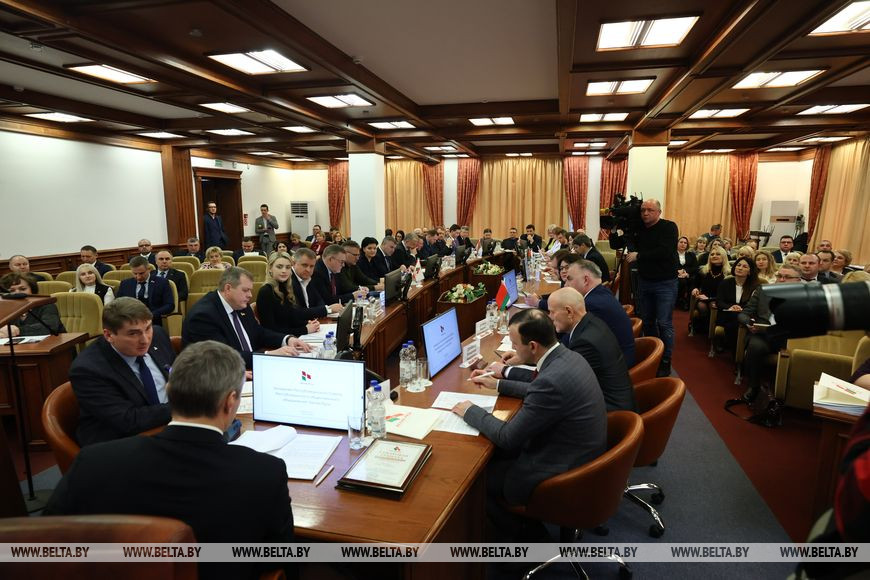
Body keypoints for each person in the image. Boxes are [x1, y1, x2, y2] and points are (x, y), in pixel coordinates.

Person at [44, 340, 294, 580]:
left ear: (169, 390)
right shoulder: (264, 473)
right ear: (230, 401)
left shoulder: (94, 461)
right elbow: (279, 555)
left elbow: (45, 543)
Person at [454, 309, 606, 514]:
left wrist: (470, 411)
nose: (513, 349)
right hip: (582, 452)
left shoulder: (551, 381)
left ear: (533, 346)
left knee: (472, 480)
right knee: (493, 455)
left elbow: (508, 437)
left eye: (515, 345)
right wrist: (497, 384)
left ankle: (522, 529)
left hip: (562, 469)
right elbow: (538, 390)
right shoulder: (568, 356)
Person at [67, 297, 173, 446]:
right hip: (120, 442)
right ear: (109, 335)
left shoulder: (159, 335)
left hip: (168, 426)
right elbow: (129, 420)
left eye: (148, 328)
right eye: (133, 334)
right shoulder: (88, 369)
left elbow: (178, 376)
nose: (145, 340)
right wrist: (185, 407)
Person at [182, 266, 311, 369]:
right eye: (245, 290)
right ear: (228, 288)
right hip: (218, 379)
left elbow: (258, 332)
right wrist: (268, 355)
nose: (250, 295)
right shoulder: (203, 316)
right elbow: (222, 357)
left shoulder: (239, 304)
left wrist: (287, 339)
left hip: (247, 367)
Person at [611, 198, 678, 377]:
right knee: (647, 321)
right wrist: (615, 228)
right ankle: (653, 354)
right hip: (645, 281)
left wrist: (639, 255)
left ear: (659, 212)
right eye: (642, 210)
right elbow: (615, 244)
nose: (645, 213)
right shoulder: (637, 228)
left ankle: (666, 360)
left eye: (650, 210)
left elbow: (665, 251)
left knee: (664, 323)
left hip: (665, 282)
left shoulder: (669, 227)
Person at [542, 288, 635, 411]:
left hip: (611, 412)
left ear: (569, 312)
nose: (550, 317)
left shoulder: (585, 343)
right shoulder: (591, 322)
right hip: (609, 399)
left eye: (552, 312)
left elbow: (556, 385)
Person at [737, 264, 801, 402]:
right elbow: (744, 313)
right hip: (764, 335)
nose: (782, 279)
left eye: (787, 277)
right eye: (779, 276)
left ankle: (793, 393)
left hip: (791, 338)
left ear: (798, 280)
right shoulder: (763, 290)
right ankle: (753, 386)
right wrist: (748, 323)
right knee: (755, 346)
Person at [564, 260, 636, 367]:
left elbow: (573, 341)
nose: (565, 285)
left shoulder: (591, 304)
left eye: (569, 279)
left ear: (585, 280)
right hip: (612, 357)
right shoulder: (601, 292)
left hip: (613, 367)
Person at [256, 252, 321, 337]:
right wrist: (305, 329)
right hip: (278, 342)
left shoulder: (286, 288)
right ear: (270, 268)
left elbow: (290, 319)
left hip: (290, 337)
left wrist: (307, 323)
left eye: (288, 267)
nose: (284, 271)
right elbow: (270, 330)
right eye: (279, 267)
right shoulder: (265, 292)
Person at [715, 256, 761, 351]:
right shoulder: (725, 283)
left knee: (737, 320)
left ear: (750, 271)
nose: (740, 268)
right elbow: (719, 301)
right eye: (738, 265)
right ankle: (736, 350)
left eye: (744, 266)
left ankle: (737, 350)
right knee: (734, 319)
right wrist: (731, 307)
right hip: (726, 314)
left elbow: (754, 305)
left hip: (745, 314)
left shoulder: (755, 286)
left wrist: (740, 309)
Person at [0, 273, 66, 338]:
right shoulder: (5, 309)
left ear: (32, 290)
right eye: (12, 290)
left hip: (55, 343)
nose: (17, 293)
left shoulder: (46, 304)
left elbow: (49, 328)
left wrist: (18, 331)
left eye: (23, 289)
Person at [117, 256, 174, 326]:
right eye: (135, 274)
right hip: (130, 320)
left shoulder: (162, 282)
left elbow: (170, 305)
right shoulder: (125, 284)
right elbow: (118, 304)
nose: (138, 277)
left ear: (149, 269)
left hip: (153, 321)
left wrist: (152, 315)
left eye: (141, 273)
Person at [289, 248, 342, 315]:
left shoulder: (309, 277)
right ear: (293, 263)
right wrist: (327, 310)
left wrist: (324, 309)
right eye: (304, 265)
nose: (308, 270)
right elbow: (298, 312)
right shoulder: (289, 281)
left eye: (312, 266)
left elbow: (319, 300)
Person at [691, 247, 730, 334]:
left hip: (719, 299)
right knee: (702, 306)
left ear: (724, 256)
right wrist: (695, 288)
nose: (714, 256)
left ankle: (711, 330)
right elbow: (695, 284)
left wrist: (711, 299)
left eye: (718, 254)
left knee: (713, 304)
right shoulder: (703, 270)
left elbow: (727, 294)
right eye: (712, 254)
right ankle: (705, 329)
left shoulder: (729, 273)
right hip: (703, 298)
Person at [675, 235, 699, 310]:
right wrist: (677, 272)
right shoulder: (672, 254)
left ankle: (687, 302)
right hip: (674, 276)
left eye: (685, 243)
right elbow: (668, 266)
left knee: (691, 280)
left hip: (688, 276)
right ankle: (680, 300)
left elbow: (695, 268)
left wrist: (686, 273)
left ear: (687, 245)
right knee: (682, 281)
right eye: (681, 242)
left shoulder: (691, 255)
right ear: (677, 243)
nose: (683, 244)